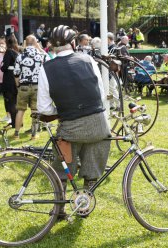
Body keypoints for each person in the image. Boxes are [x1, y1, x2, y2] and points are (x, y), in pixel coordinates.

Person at [37, 25, 111, 208]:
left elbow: (44, 109)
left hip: (70, 128)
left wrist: (64, 109)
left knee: (63, 166)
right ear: (73, 43)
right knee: (97, 147)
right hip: (98, 126)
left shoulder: (46, 69)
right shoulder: (88, 60)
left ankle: (59, 207)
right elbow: (100, 95)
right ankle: (87, 195)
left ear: (53, 46)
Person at [14, 35, 49, 140]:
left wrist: (18, 85)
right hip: (37, 86)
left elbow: (16, 73)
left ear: (25, 43)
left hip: (23, 86)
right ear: (35, 43)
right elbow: (49, 58)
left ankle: (16, 134)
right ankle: (34, 135)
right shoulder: (41, 55)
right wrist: (39, 48)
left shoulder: (20, 56)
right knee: (35, 111)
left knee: (20, 110)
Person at [0, 36, 20, 130]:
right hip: (16, 77)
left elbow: (4, 67)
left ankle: (14, 122)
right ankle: (18, 121)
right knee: (15, 101)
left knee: (11, 102)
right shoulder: (17, 51)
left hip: (9, 79)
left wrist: (2, 65)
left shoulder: (9, 51)